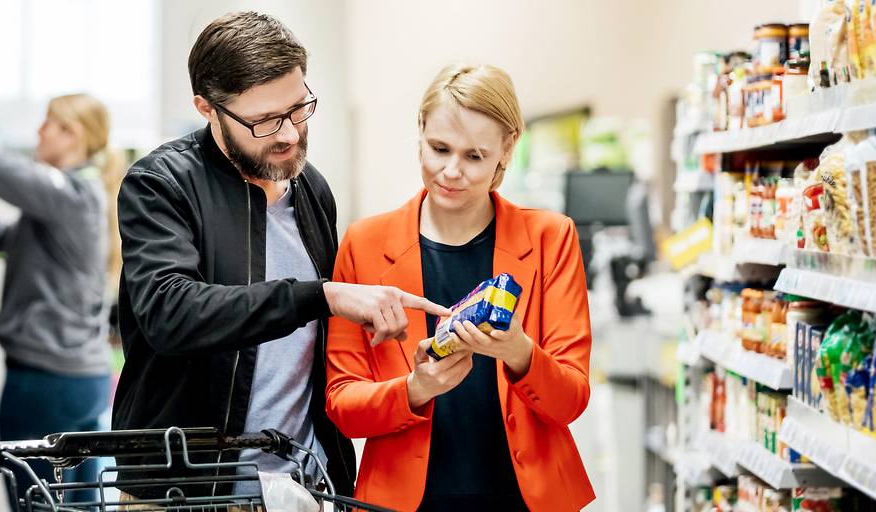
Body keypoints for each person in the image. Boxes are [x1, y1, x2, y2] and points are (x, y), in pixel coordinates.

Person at [113, 11, 450, 500]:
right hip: (187, 490)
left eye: (298, 109)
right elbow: (170, 314)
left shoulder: (312, 190)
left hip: (303, 485)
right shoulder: (161, 185)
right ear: (207, 108)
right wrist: (322, 296)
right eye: (265, 121)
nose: (290, 134)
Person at [324, 64, 596, 512]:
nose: (451, 171)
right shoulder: (364, 244)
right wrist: (414, 389)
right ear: (420, 130)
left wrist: (519, 352)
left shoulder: (551, 239)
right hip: (405, 499)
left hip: (526, 499)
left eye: (474, 156)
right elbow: (342, 404)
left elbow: (570, 401)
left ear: (506, 149)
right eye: (439, 149)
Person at [0, 93, 123, 505]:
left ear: (71, 135)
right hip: (75, 378)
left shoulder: (72, 192)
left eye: (47, 123)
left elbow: (8, 174)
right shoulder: (76, 198)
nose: (38, 131)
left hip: (47, 381)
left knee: (34, 500)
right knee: (75, 503)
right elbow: (0, 240)